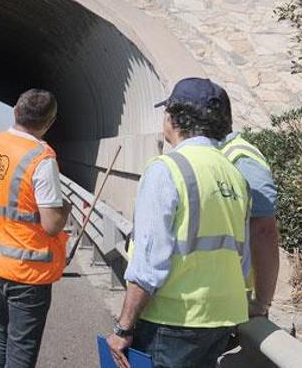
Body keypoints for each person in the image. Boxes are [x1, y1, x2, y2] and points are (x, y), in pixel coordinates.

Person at [107, 78, 251, 368]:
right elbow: (242, 258)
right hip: (221, 319)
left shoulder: (167, 170)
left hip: (172, 321)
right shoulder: (234, 175)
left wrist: (123, 328)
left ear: (174, 118)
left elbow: (149, 263)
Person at [0, 89, 71, 368]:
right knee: (21, 348)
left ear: (15, 110)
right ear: (50, 122)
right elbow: (51, 225)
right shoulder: (41, 159)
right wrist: (66, 209)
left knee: (3, 333)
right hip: (27, 271)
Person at [217, 90, 279, 319]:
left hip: (234, 301)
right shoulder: (213, 155)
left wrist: (261, 304)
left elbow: (263, 230)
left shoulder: (241, 158)